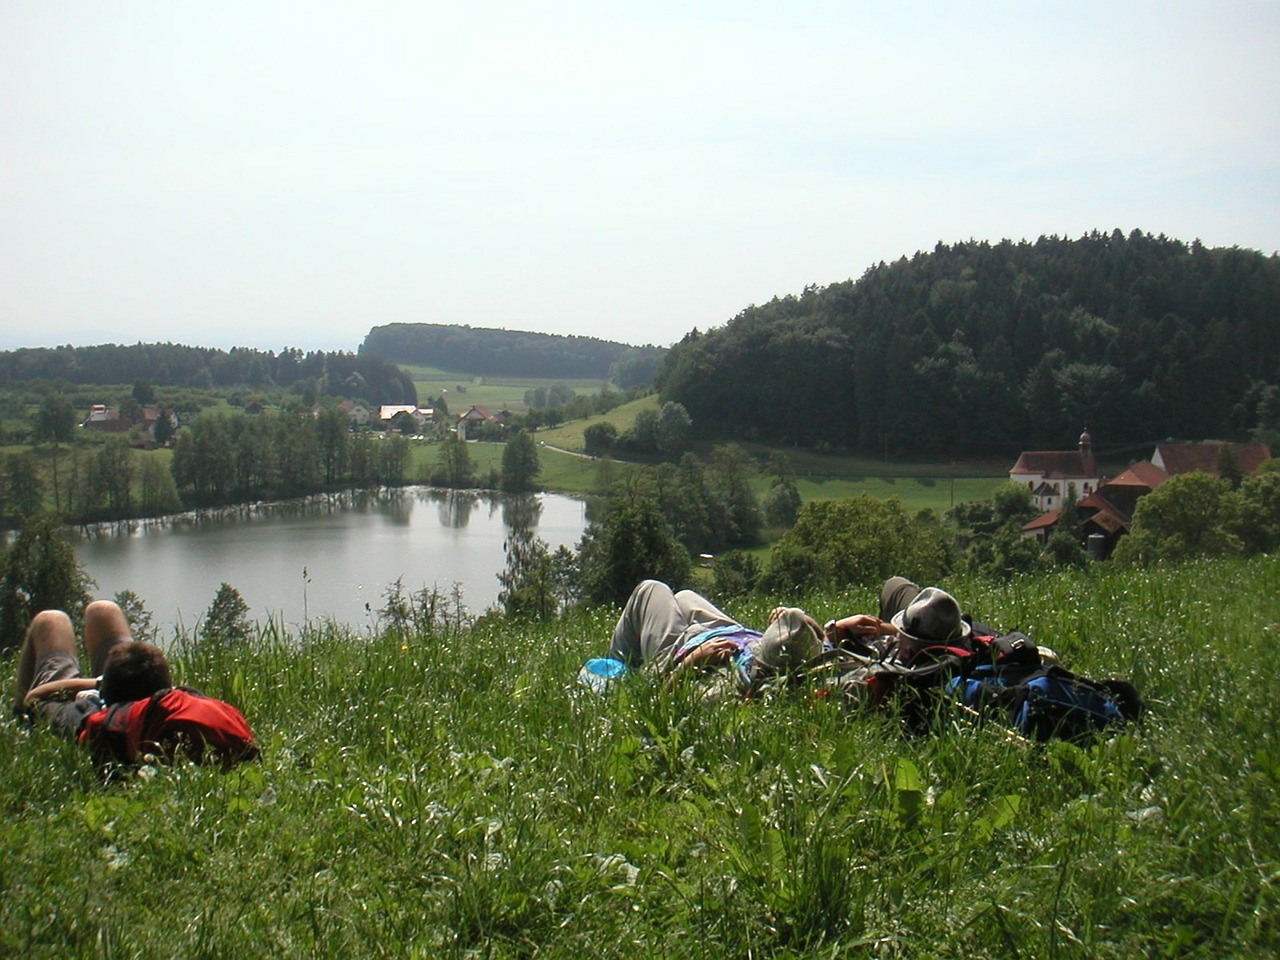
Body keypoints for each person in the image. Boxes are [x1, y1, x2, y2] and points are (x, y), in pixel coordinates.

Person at [13, 600, 258, 772]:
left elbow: (35, 698)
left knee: (49, 620)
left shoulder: (99, 722)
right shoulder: (186, 700)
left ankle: (17, 722)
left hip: (110, 695)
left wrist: (99, 684)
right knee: (103, 611)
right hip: (137, 689)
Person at [603, 579, 823, 695]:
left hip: (682, 651)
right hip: (731, 633)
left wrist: (690, 663)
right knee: (684, 596)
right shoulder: (810, 664)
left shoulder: (739, 692)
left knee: (650, 589)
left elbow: (664, 699)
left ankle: (612, 669)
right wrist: (786, 622)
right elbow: (821, 642)